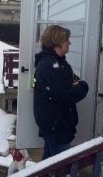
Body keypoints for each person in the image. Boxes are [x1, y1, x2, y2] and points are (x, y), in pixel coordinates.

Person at [33, 25, 89, 160]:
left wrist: (76, 83)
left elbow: (72, 80)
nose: (69, 43)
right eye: (66, 40)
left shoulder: (58, 63)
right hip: (56, 126)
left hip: (56, 124)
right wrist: (83, 86)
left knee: (49, 163)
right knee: (61, 166)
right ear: (57, 42)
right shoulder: (50, 65)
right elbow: (67, 95)